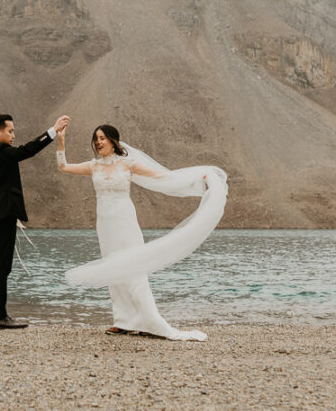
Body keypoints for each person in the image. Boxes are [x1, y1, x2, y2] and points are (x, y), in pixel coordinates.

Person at [56, 123, 225, 341]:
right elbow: (63, 167)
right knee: (113, 269)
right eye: (96, 138)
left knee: (133, 269)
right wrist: (61, 143)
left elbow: (162, 177)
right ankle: (123, 321)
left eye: (102, 138)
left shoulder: (128, 164)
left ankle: (149, 321)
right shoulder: (93, 166)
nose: (98, 142)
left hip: (124, 221)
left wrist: (198, 180)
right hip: (105, 224)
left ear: (113, 141)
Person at [0, 112, 70, 330]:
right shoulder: (5, 153)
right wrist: (53, 131)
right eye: (10, 131)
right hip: (3, 217)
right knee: (1, 268)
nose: (13, 135)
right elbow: (28, 150)